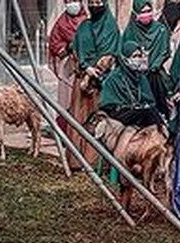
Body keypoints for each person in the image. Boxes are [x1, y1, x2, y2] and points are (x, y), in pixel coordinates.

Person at [67, 0, 119, 164]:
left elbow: (110, 54)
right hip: (81, 81)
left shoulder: (111, 27)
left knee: (96, 120)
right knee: (78, 119)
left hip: (99, 84)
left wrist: (94, 70)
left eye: (98, 2)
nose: (95, 5)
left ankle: (93, 161)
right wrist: (84, 67)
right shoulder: (84, 26)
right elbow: (74, 50)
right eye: (92, 2)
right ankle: (75, 159)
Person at [118, 0, 172, 115]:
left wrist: (153, 67)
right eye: (142, 12)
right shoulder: (130, 31)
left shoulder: (160, 30)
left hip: (155, 76)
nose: (146, 14)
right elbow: (123, 52)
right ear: (135, 13)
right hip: (134, 75)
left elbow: (165, 52)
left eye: (149, 11)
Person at [98, 46, 165, 129]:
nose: (138, 59)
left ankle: (164, 132)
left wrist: (143, 105)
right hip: (120, 113)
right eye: (134, 56)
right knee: (147, 113)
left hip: (138, 111)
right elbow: (107, 104)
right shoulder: (114, 77)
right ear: (125, 59)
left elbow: (149, 100)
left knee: (151, 112)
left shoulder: (140, 77)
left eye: (139, 56)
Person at [46, 0, 85, 113]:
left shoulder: (88, 21)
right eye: (69, 1)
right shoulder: (61, 23)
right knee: (66, 99)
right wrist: (67, 48)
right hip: (68, 67)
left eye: (75, 0)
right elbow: (54, 44)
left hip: (85, 67)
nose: (72, 4)